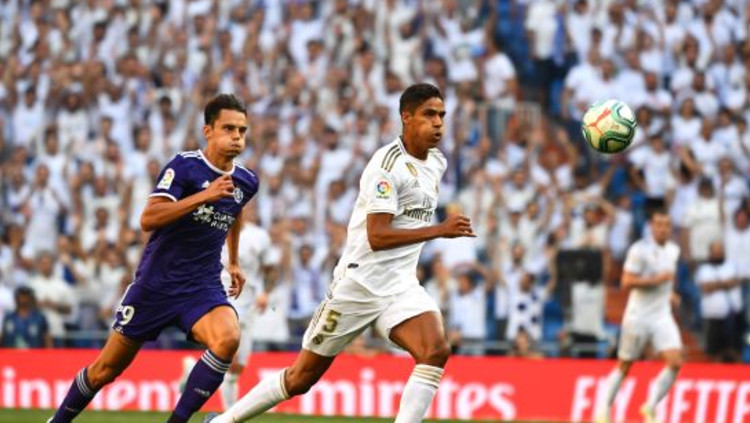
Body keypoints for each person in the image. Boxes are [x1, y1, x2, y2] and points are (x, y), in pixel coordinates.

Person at [205, 83, 476, 423]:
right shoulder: (386, 166)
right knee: (301, 378)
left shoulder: (436, 162)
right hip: (358, 285)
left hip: (400, 286)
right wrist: (438, 230)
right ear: (406, 117)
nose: (437, 122)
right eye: (429, 114)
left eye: (441, 115)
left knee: (435, 350)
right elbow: (377, 236)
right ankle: (223, 421)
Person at [48, 94, 259, 423]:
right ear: (208, 131)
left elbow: (235, 209)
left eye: (242, 130)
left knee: (228, 338)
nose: (237, 136)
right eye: (228, 128)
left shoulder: (247, 181)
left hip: (200, 287)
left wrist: (233, 260)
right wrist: (205, 195)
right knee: (104, 370)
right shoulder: (184, 166)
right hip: (155, 285)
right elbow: (148, 218)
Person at [596, 210, 682, 423]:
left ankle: (650, 407)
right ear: (652, 227)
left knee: (675, 361)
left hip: (661, 315)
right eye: (659, 224)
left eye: (666, 225)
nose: (663, 229)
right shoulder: (639, 250)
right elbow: (626, 281)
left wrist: (670, 294)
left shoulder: (673, 250)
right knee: (625, 364)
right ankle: (603, 409)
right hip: (638, 315)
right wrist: (656, 280)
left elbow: (668, 279)